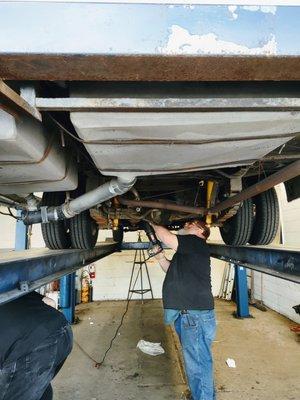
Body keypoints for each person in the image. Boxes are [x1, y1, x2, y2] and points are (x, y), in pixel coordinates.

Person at [151, 219, 216, 400]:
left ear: (200, 231)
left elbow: (165, 236)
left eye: (192, 223)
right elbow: (171, 269)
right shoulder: (190, 250)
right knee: (199, 364)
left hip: (195, 317)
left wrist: (152, 222)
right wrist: (161, 258)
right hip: (190, 317)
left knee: (198, 366)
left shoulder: (196, 242)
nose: (187, 223)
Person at [0, 291, 73, 400]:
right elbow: (50, 302)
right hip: (62, 330)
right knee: (38, 385)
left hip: (32, 350)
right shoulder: (7, 286)